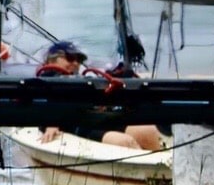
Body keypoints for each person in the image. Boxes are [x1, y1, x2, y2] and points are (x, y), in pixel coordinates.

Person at [36, 39, 165, 152]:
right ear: (52, 59)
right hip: (78, 127)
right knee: (124, 142)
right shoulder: (44, 82)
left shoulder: (83, 80)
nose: (75, 63)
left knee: (148, 131)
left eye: (79, 60)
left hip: (100, 119)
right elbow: (38, 108)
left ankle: (165, 166)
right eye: (70, 58)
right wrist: (50, 123)